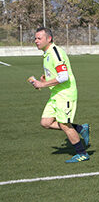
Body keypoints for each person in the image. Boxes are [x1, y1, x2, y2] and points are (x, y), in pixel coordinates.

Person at [29, 27, 90, 163]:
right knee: (45, 122)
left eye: (39, 38)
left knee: (64, 124)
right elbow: (57, 74)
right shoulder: (47, 53)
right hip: (56, 94)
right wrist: (46, 80)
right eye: (35, 38)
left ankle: (82, 153)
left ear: (49, 39)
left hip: (65, 94)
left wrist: (42, 85)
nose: (36, 41)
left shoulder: (56, 52)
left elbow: (64, 77)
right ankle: (81, 128)